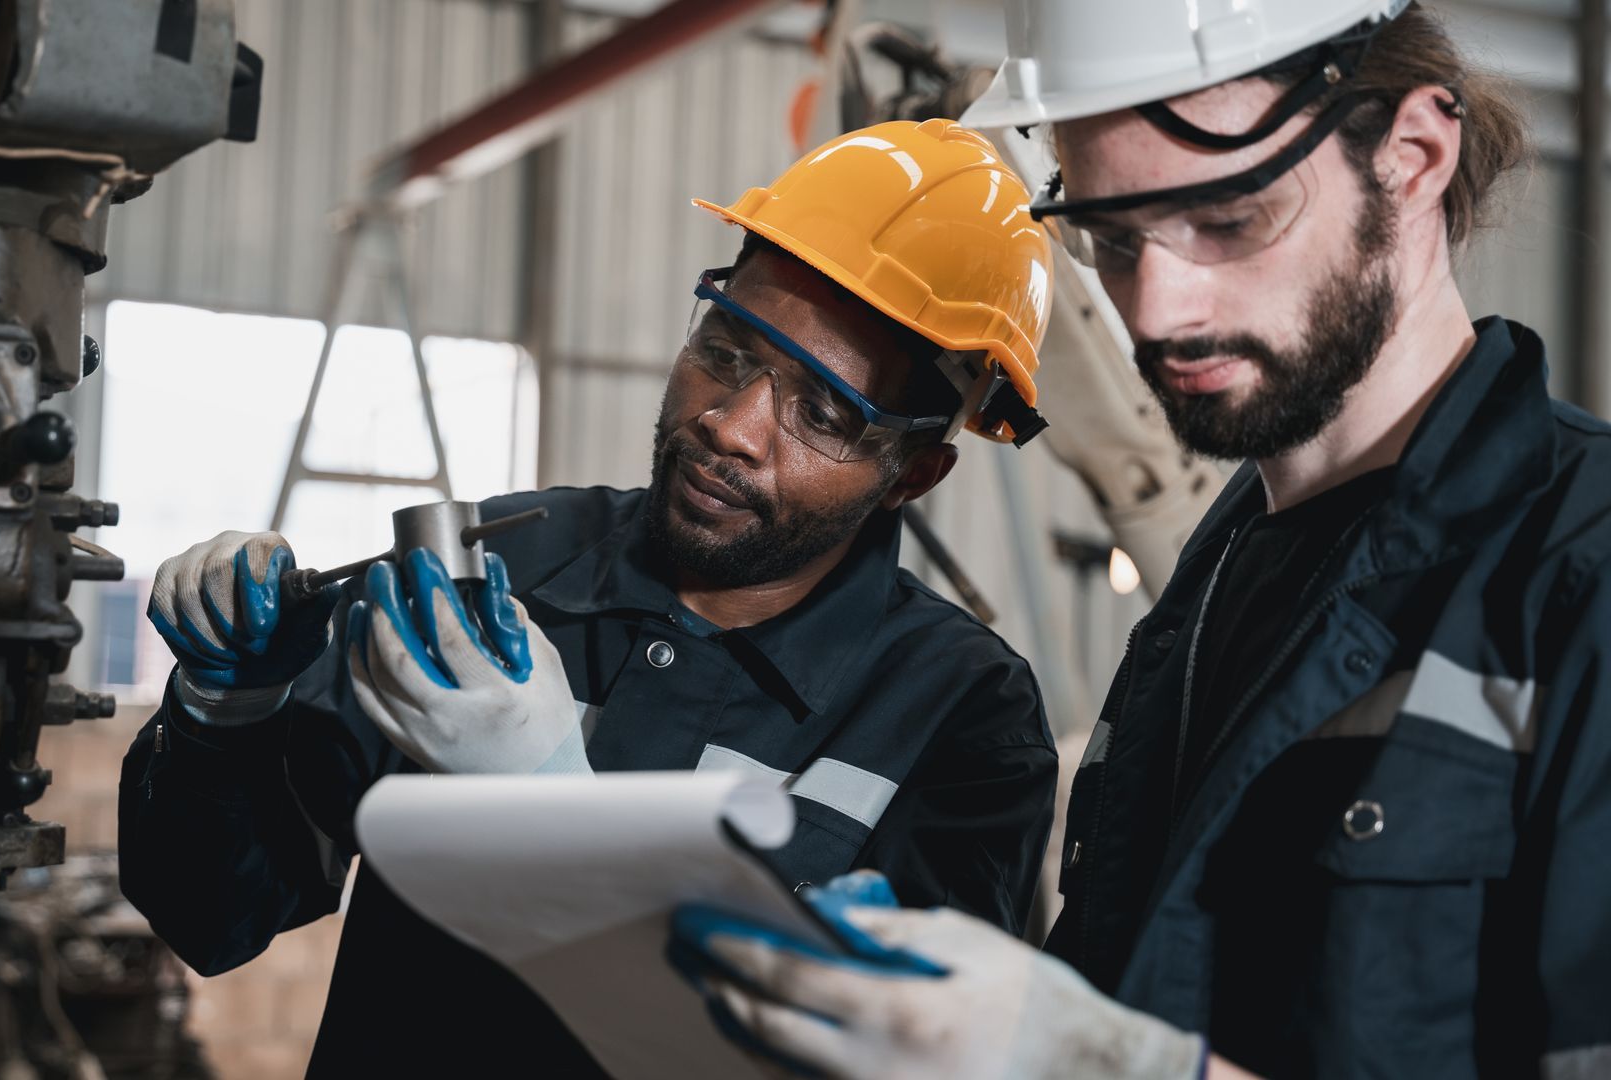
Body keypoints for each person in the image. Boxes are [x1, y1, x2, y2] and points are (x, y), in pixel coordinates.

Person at [672, 4, 1611, 1079]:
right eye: (1113, 240)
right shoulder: (1211, 589)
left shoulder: (1579, 578)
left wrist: (1099, 1064)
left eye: (1231, 219)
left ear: (1411, 158)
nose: (1157, 309)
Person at [118, 118, 1064, 1075]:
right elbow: (213, 915)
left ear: (913, 475)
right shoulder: (502, 571)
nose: (731, 426)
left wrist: (553, 809)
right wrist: (226, 712)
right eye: (729, 353)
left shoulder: (960, 719)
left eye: (821, 413)